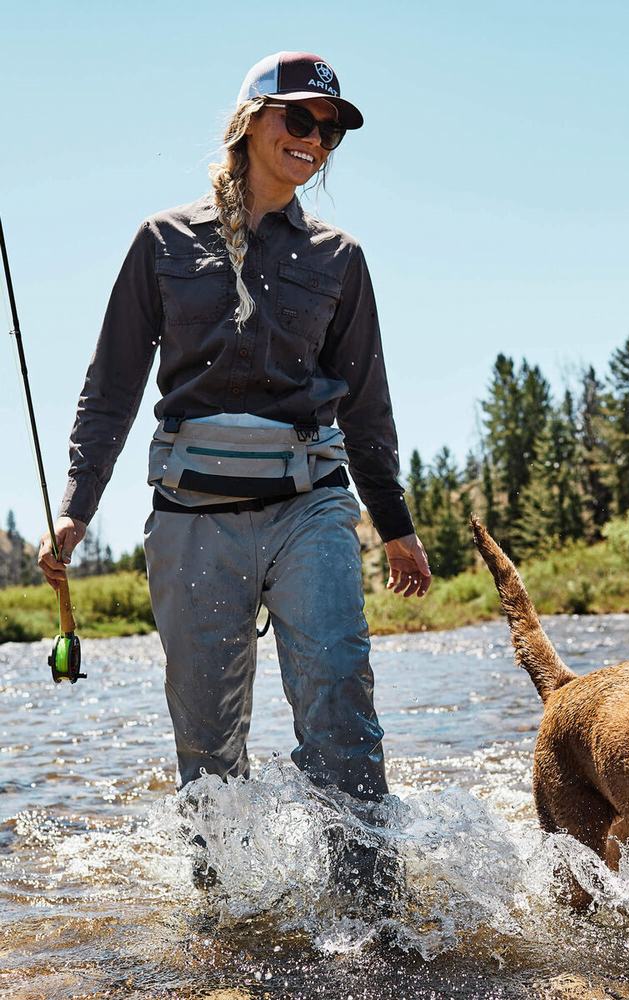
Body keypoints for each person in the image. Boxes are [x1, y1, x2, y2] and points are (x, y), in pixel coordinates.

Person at [38, 52, 431, 890]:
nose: (315, 140)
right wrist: (77, 507)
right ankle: (227, 923)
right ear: (251, 119)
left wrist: (393, 526)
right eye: (300, 119)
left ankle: (375, 914)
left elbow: (366, 404)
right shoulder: (161, 242)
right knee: (208, 740)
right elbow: (109, 387)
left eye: (329, 130)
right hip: (191, 518)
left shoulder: (340, 259)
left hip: (310, 510)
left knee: (339, 707)